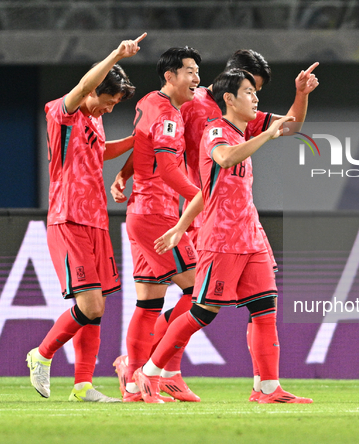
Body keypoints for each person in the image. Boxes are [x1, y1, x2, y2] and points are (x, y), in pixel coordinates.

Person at [111, 50, 318, 402]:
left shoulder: (241, 121)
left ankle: (266, 387)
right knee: (196, 305)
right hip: (206, 220)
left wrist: (302, 94)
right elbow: (164, 145)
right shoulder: (199, 115)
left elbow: (291, 125)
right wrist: (132, 176)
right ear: (232, 89)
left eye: (258, 92)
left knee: (263, 304)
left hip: (241, 225)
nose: (257, 98)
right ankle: (147, 369)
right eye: (252, 90)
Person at [26, 33, 145, 402]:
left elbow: (100, 153)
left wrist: (138, 139)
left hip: (96, 220)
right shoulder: (62, 112)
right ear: (94, 91)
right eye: (107, 102)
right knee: (88, 305)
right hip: (68, 218)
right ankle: (41, 354)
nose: (108, 109)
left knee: (98, 308)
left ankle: (83, 385)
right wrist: (116, 54)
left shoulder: (94, 122)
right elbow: (82, 86)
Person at [120, 46, 202, 402]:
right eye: (190, 72)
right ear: (170, 76)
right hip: (158, 215)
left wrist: (122, 175)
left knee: (149, 303)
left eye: (198, 72)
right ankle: (154, 370)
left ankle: (133, 382)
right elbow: (167, 168)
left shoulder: (149, 102)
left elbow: (141, 147)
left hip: (140, 211)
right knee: (201, 292)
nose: (196, 79)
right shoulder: (169, 114)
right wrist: (202, 194)